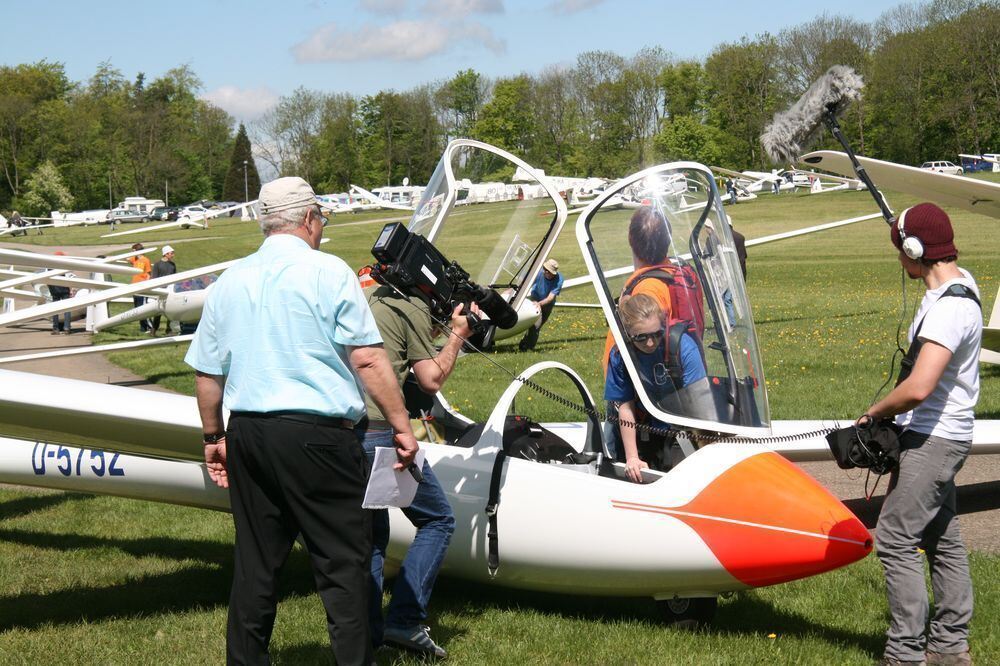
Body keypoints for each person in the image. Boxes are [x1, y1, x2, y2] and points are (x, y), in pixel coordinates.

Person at [185, 176, 419, 666]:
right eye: (321, 220)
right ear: (310, 219)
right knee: (343, 566)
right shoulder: (327, 271)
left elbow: (208, 373)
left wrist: (213, 436)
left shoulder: (230, 280)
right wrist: (401, 425)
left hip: (248, 431)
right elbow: (370, 360)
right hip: (317, 435)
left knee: (256, 565)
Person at [858, 203, 981, 666]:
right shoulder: (959, 285)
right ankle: (950, 645)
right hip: (944, 436)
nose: (897, 258)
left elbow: (920, 387)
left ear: (914, 250)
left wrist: (873, 412)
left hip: (933, 440)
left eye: (900, 249)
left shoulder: (950, 310)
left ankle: (905, 652)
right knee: (942, 537)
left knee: (892, 537)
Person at [362, 280, 479, 658]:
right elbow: (430, 379)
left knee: (373, 534)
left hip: (348, 429)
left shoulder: (374, 296)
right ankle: (406, 621)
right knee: (437, 520)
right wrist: (457, 335)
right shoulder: (409, 303)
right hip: (381, 431)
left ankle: (367, 633)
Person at [604, 294, 706, 482]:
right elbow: (626, 408)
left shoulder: (683, 346)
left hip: (682, 427)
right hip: (644, 427)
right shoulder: (620, 356)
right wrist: (632, 458)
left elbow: (700, 405)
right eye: (641, 338)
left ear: (663, 325)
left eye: (656, 334)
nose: (650, 343)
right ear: (627, 334)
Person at [518, 258, 563, 351]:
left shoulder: (559, 279)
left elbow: (551, 297)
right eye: (544, 269)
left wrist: (540, 303)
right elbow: (525, 283)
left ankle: (524, 343)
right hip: (535, 298)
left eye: (548, 271)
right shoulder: (538, 273)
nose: (545, 272)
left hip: (547, 303)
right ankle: (528, 348)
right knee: (536, 325)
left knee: (537, 327)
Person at [150, 245, 176, 335]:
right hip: (160, 291)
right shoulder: (157, 264)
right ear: (166, 254)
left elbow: (175, 277)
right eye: (171, 253)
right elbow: (154, 278)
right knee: (158, 311)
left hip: (170, 290)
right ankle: (153, 330)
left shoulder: (172, 265)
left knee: (171, 310)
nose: (173, 255)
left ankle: (169, 330)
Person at [127, 243, 152, 333]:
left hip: (142, 287)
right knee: (137, 308)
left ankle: (150, 327)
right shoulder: (134, 259)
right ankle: (142, 328)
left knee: (143, 308)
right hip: (134, 286)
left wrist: (146, 286)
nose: (132, 253)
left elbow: (149, 274)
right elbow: (127, 259)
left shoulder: (146, 260)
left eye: (133, 251)